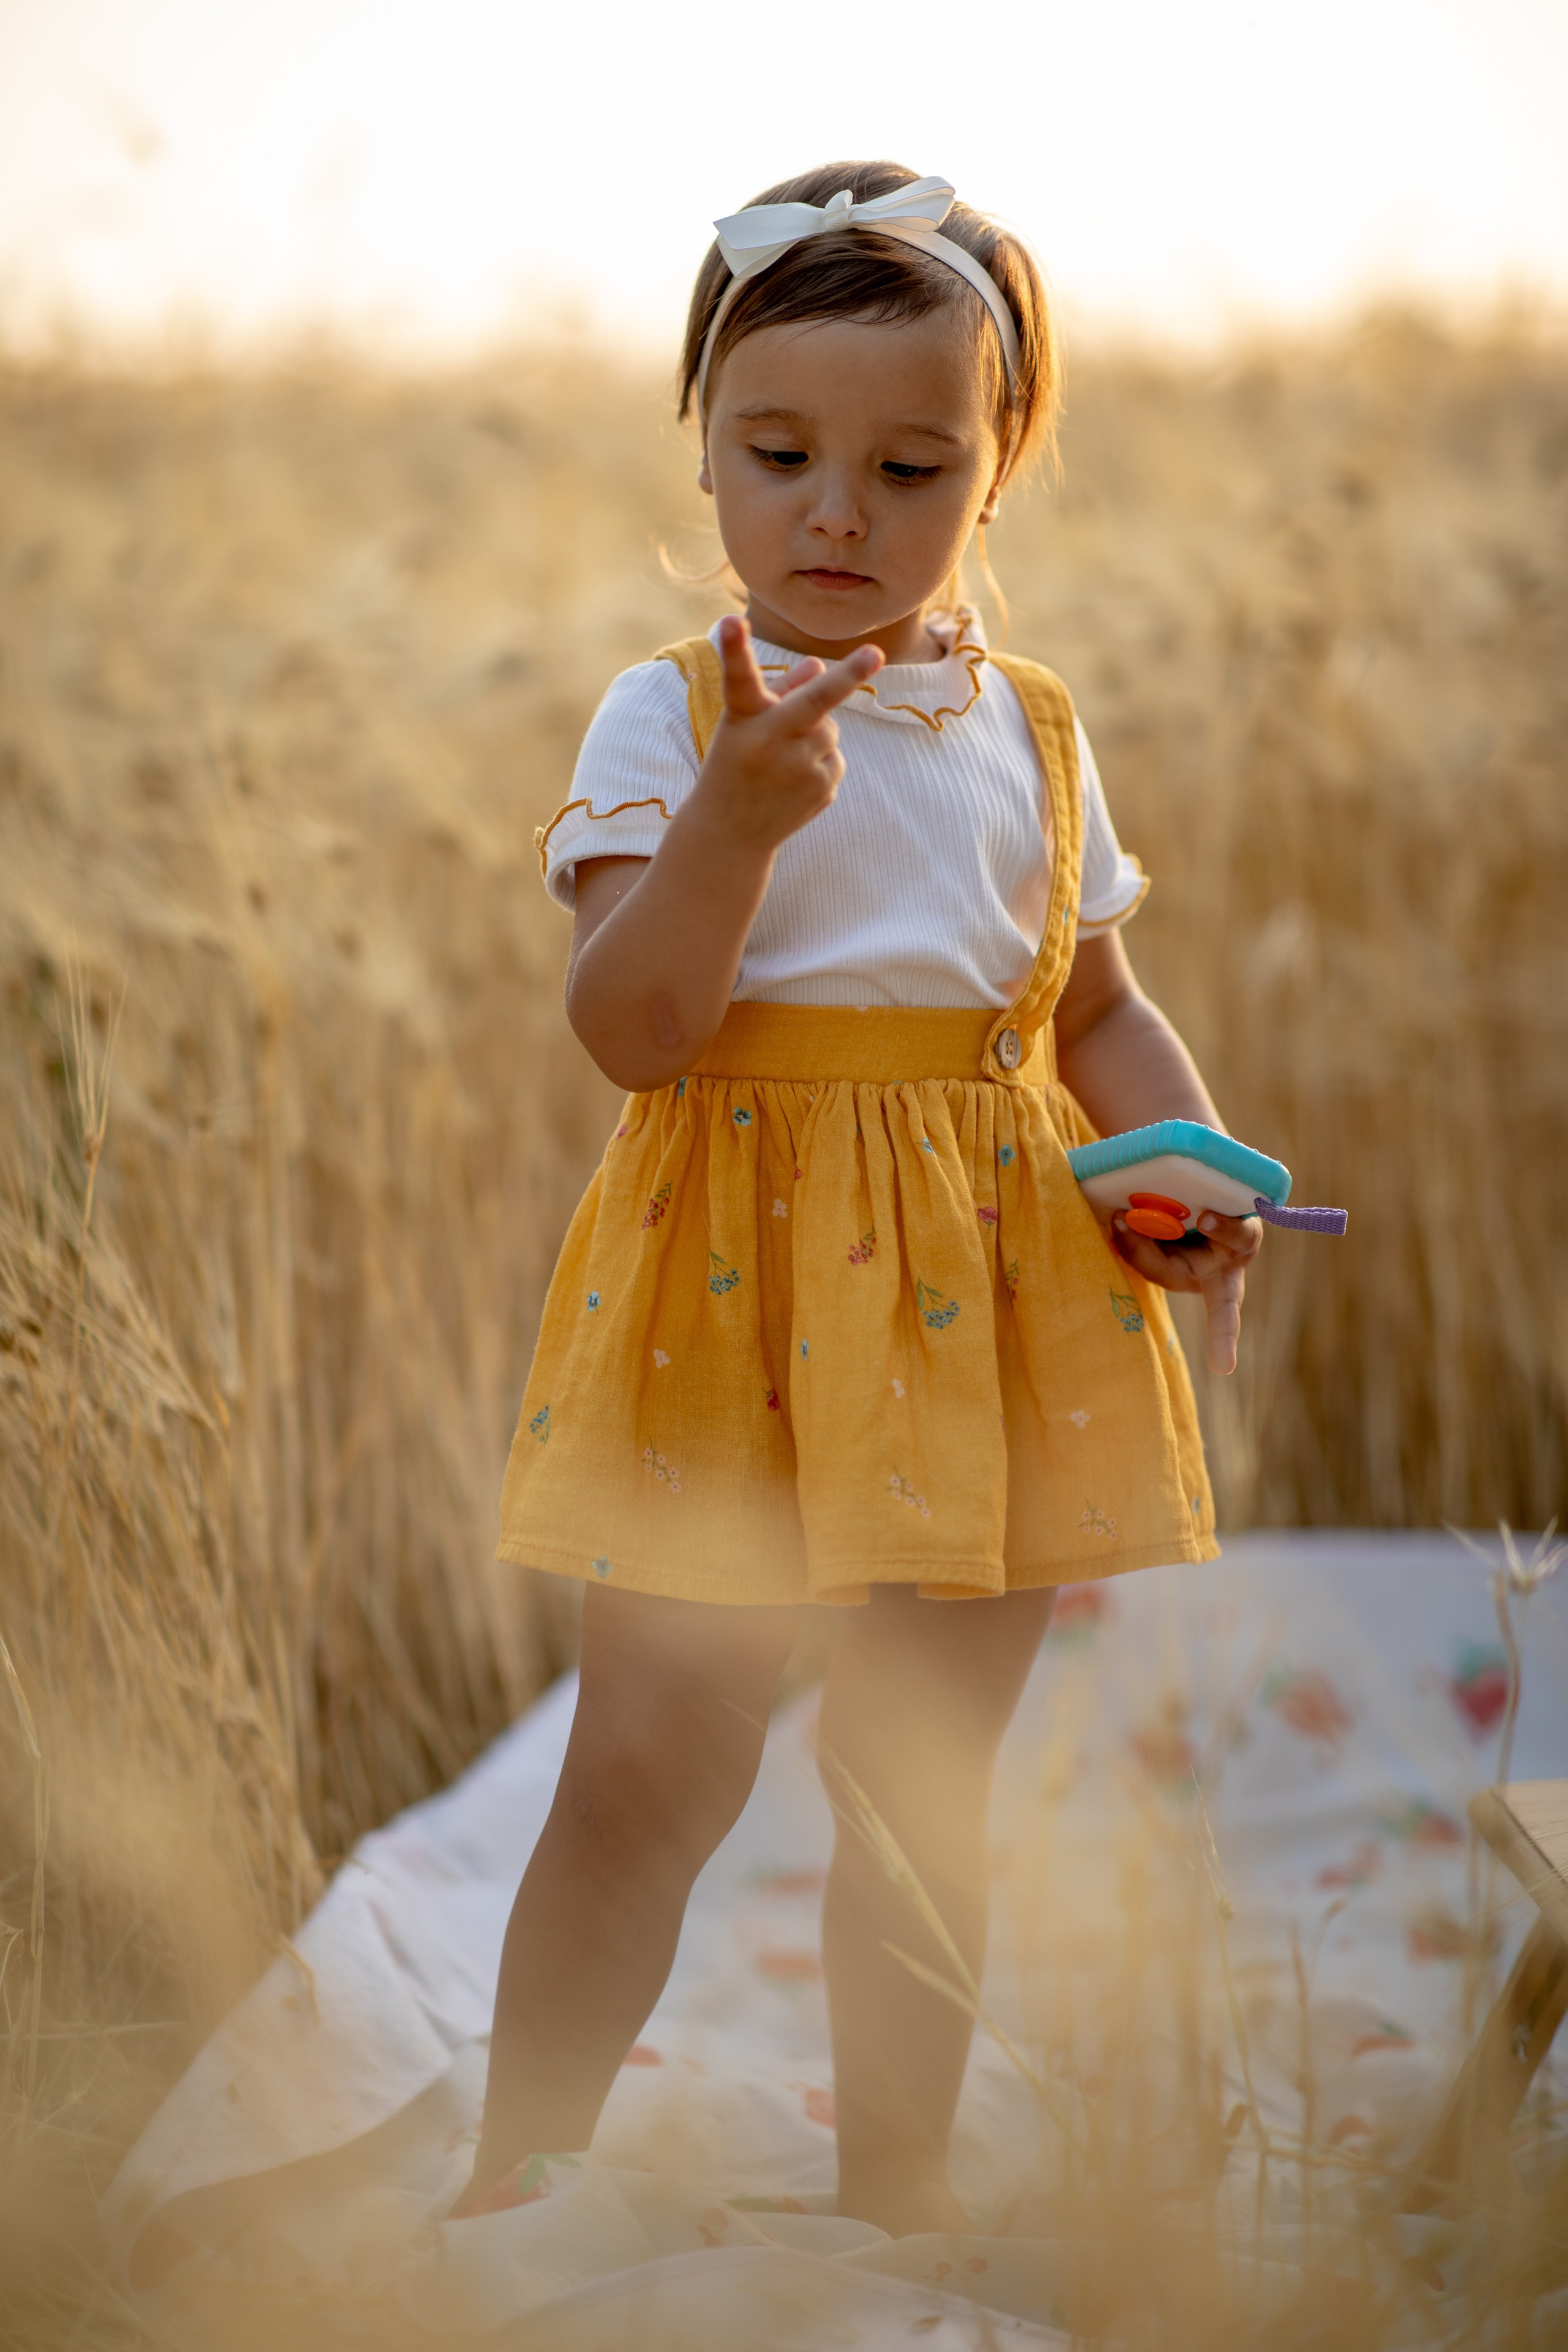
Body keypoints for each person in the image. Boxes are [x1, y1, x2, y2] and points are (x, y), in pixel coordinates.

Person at [456, 162, 1260, 2236]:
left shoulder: (1037, 734)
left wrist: (1172, 1162)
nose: (837, 513)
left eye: (910, 466)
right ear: (706, 451)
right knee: (650, 1765)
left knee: (918, 1783)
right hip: (730, 1293)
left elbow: (1096, 1012)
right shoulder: (677, 716)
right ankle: (519, 2177)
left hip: (991, 1302)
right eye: (779, 454)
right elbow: (633, 1028)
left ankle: (895, 2205)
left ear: (995, 476)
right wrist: (727, 828)